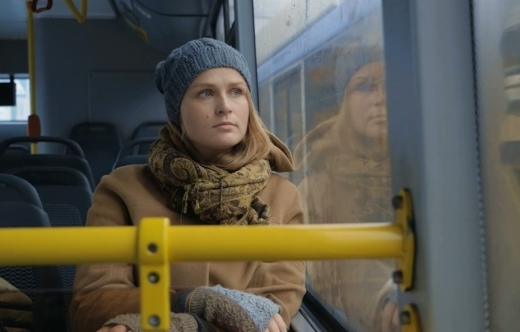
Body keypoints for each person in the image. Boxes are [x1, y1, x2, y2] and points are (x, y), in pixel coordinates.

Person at [69, 38, 306, 332]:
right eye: (206, 93)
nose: (225, 107)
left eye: (236, 92)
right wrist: (188, 301)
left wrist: (187, 321)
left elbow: (274, 307)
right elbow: (92, 303)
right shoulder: (122, 189)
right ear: (177, 112)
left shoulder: (282, 196)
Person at [294, 20, 399, 332]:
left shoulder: (430, 172)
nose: (380, 98)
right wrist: (389, 297)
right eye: (364, 86)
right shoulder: (315, 188)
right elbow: (333, 279)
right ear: (345, 103)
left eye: (389, 85)